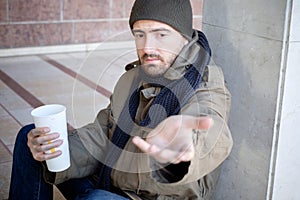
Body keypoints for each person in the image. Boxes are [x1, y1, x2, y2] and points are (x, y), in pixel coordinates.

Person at [9, 0, 233, 199]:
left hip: (156, 195)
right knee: (32, 141)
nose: (147, 47)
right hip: (113, 181)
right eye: (139, 34)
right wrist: (55, 149)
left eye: (161, 34)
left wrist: (182, 149)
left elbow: (212, 130)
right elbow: (104, 134)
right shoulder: (133, 78)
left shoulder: (205, 82)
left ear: (184, 37)